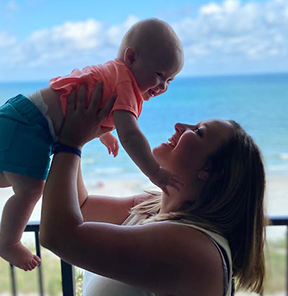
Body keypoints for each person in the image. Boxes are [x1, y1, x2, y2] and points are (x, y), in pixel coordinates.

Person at [0, 18, 184, 271]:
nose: (162, 87)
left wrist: (102, 133)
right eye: (159, 75)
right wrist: (155, 172)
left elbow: (90, 110)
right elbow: (131, 135)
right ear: (131, 58)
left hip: (18, 115)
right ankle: (9, 242)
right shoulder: (126, 83)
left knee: (1, 176)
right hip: (31, 123)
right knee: (30, 190)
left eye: (170, 80)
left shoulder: (116, 75)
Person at [40, 83, 267, 295]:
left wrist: (70, 144)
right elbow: (81, 207)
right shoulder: (149, 207)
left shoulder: (191, 247)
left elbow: (58, 235)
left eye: (198, 131)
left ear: (212, 174)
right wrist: (75, 131)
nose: (180, 126)